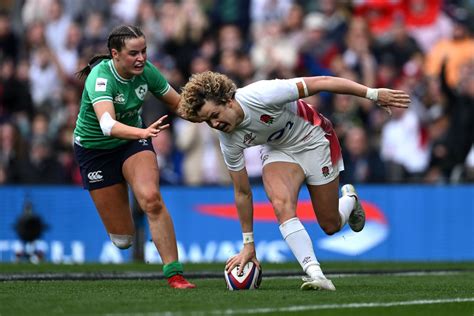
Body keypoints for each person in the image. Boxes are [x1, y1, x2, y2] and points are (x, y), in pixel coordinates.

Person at [179, 71, 410, 290]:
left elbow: (322, 82)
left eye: (214, 116)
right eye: (206, 122)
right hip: (279, 151)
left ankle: (349, 199)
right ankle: (315, 274)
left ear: (228, 101)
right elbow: (242, 192)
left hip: (315, 137)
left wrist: (372, 94)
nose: (214, 125)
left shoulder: (262, 94)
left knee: (330, 225)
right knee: (281, 205)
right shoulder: (228, 140)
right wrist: (248, 243)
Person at [73, 25, 195, 289]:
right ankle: (132, 228)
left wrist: (214, 116)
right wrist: (143, 130)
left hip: (133, 143)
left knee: (151, 199)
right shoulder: (100, 77)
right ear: (115, 54)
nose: (141, 58)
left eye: (144, 51)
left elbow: (179, 103)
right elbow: (107, 125)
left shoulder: (147, 72)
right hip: (95, 151)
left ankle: (174, 274)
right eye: (133, 53)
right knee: (123, 240)